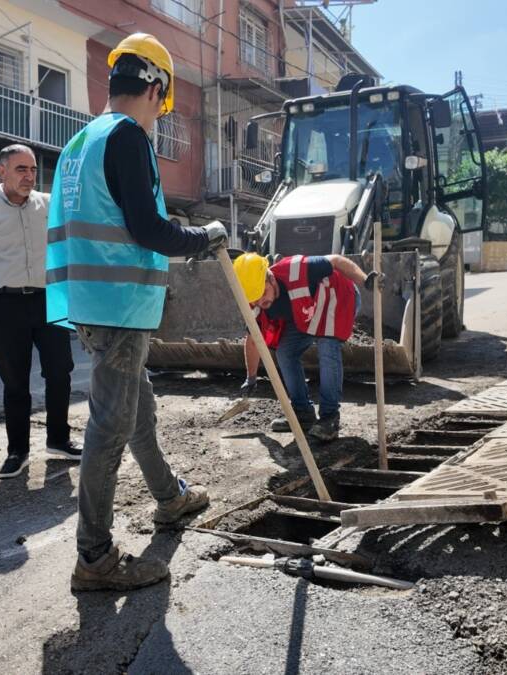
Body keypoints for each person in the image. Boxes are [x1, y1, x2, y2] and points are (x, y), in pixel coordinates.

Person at [45, 33, 228, 592]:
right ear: (155, 87)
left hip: (93, 301)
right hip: (119, 305)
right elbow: (146, 228)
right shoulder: (127, 137)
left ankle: (170, 498)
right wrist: (205, 236)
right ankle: (94, 558)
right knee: (111, 426)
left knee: (136, 409)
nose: (158, 117)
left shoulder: (82, 140)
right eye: (161, 104)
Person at [0, 144, 80, 480]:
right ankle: (17, 451)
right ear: (2, 171)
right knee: (15, 381)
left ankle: (59, 439)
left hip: (49, 300)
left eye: (33, 169)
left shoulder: (50, 206)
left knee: (60, 371)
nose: (29, 176)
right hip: (5, 306)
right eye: (21, 169)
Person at [233, 252, 379, 441]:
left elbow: (336, 260)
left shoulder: (299, 269)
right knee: (286, 352)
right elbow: (253, 339)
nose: (262, 302)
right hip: (306, 311)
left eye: (262, 294)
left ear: (270, 277)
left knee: (327, 346)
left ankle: (329, 418)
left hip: (336, 297)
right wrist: (251, 378)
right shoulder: (256, 303)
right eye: (255, 299)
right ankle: (303, 413)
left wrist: (365, 280)